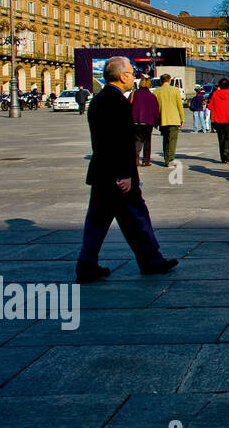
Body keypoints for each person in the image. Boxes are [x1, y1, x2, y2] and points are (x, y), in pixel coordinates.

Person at [76, 56, 179, 284]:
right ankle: (151, 260)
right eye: (132, 73)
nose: (134, 77)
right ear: (122, 76)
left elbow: (102, 142)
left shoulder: (99, 100)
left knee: (98, 220)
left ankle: (86, 264)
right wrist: (124, 174)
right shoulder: (117, 102)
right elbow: (120, 141)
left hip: (102, 172)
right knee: (137, 216)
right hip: (117, 175)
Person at [153, 74, 184, 167]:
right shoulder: (175, 90)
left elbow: (155, 108)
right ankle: (170, 159)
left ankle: (166, 158)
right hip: (174, 119)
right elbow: (179, 106)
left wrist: (156, 120)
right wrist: (182, 118)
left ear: (160, 81)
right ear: (169, 80)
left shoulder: (156, 91)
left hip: (162, 119)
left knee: (165, 140)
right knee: (172, 140)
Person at [130, 76, 159, 167]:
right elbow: (156, 110)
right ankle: (146, 161)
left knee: (136, 140)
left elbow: (127, 106)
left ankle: (136, 158)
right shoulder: (152, 96)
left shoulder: (133, 94)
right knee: (147, 141)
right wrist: (156, 122)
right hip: (148, 122)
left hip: (135, 121)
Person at [208, 77, 229, 163]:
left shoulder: (215, 94)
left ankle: (224, 158)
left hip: (218, 119)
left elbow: (210, 106)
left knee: (221, 139)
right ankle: (227, 150)